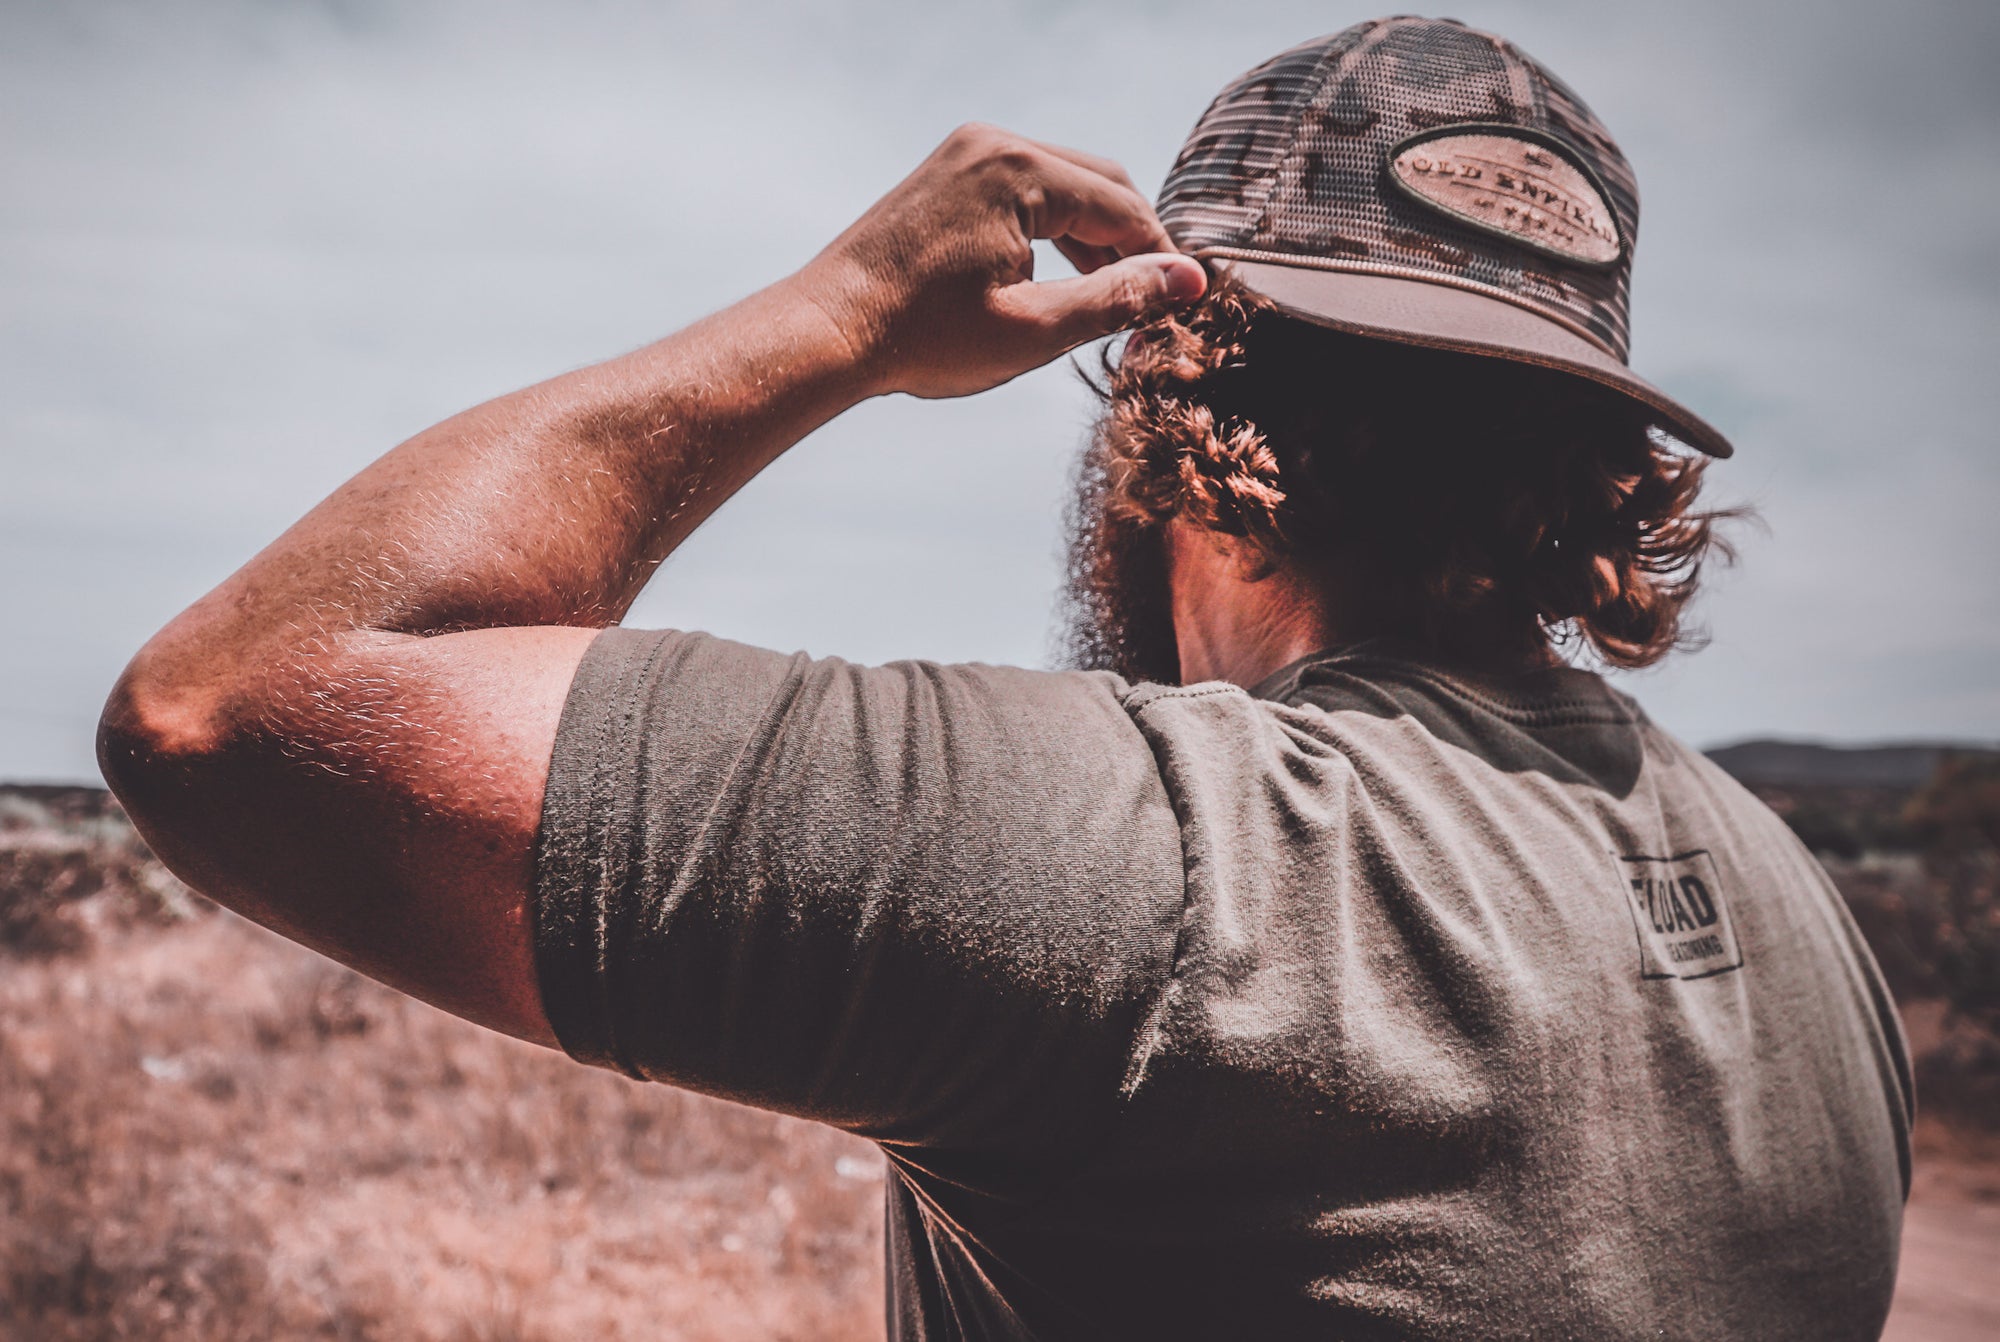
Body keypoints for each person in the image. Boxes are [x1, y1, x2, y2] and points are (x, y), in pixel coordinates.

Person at [99, 17, 1911, 1341]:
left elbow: (237, 703)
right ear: (1595, 465)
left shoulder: (1177, 865)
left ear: (1177, 411)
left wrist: (847, 314)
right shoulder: (1801, 918)